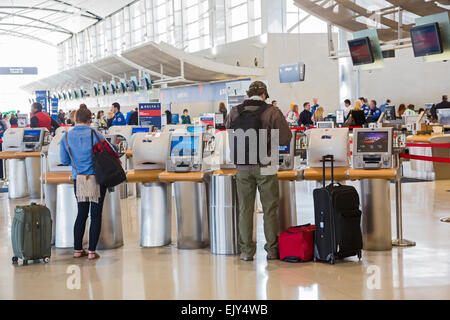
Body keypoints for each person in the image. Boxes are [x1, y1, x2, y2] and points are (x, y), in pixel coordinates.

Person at [225, 81, 292, 261]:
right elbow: (286, 138)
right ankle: (272, 251)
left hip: (242, 167)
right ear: (264, 94)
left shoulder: (234, 111)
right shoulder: (272, 112)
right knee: (269, 210)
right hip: (266, 166)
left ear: (248, 94)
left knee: (245, 209)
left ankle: (246, 252)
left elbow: (229, 132)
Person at [60, 106, 108, 260]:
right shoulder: (96, 134)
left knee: (81, 214)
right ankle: (92, 252)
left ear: (75, 119)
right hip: (97, 179)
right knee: (95, 215)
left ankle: (77, 250)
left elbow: (64, 160)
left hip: (79, 179)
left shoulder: (66, 137)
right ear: (90, 120)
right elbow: (108, 153)